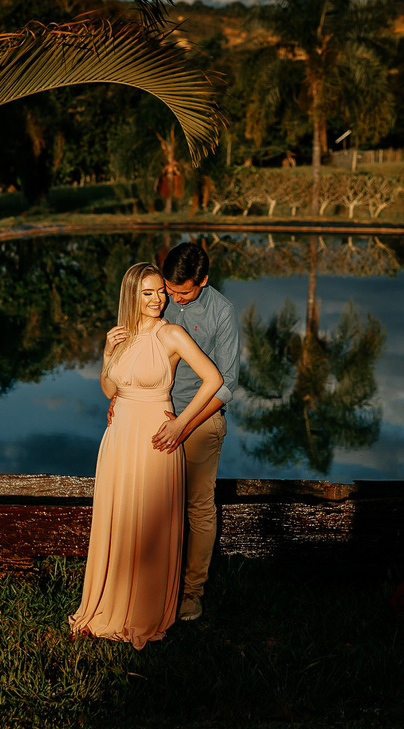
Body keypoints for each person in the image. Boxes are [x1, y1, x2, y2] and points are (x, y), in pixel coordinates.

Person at [69, 262, 223, 650]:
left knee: (149, 520)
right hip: (120, 437)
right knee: (120, 519)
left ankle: (145, 608)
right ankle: (109, 601)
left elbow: (214, 379)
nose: (158, 300)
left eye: (160, 292)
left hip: (156, 435)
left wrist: (181, 424)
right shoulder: (120, 335)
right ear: (132, 295)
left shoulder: (171, 333)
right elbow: (109, 389)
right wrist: (106, 351)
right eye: (148, 293)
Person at [153, 242, 240, 623]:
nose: (172, 297)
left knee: (198, 507)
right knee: (152, 503)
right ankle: (153, 585)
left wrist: (183, 423)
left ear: (203, 280)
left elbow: (226, 386)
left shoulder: (222, 312)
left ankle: (191, 592)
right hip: (155, 413)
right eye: (170, 289)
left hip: (201, 418)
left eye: (182, 291)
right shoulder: (157, 295)